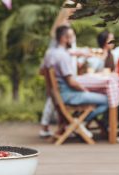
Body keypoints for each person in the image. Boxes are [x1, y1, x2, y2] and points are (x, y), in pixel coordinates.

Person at [41, 25, 108, 137]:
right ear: (63, 38)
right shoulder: (63, 56)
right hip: (68, 95)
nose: (73, 39)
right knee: (108, 99)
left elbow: (44, 70)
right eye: (71, 36)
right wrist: (84, 90)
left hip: (58, 95)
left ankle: (75, 122)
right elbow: (71, 82)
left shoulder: (50, 53)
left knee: (98, 96)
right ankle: (79, 122)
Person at [40, 2, 79, 138]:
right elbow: (56, 51)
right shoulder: (62, 28)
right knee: (55, 97)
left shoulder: (66, 25)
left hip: (68, 64)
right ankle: (46, 125)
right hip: (62, 67)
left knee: (55, 96)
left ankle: (63, 127)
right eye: (75, 10)